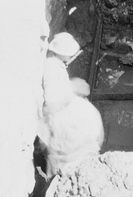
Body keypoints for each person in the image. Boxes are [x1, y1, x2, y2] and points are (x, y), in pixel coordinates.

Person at [39, 32, 104, 178]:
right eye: (68, 52)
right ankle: (55, 179)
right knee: (61, 149)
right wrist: (72, 89)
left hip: (60, 111)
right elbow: (52, 100)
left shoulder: (57, 63)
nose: (71, 55)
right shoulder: (51, 68)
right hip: (54, 118)